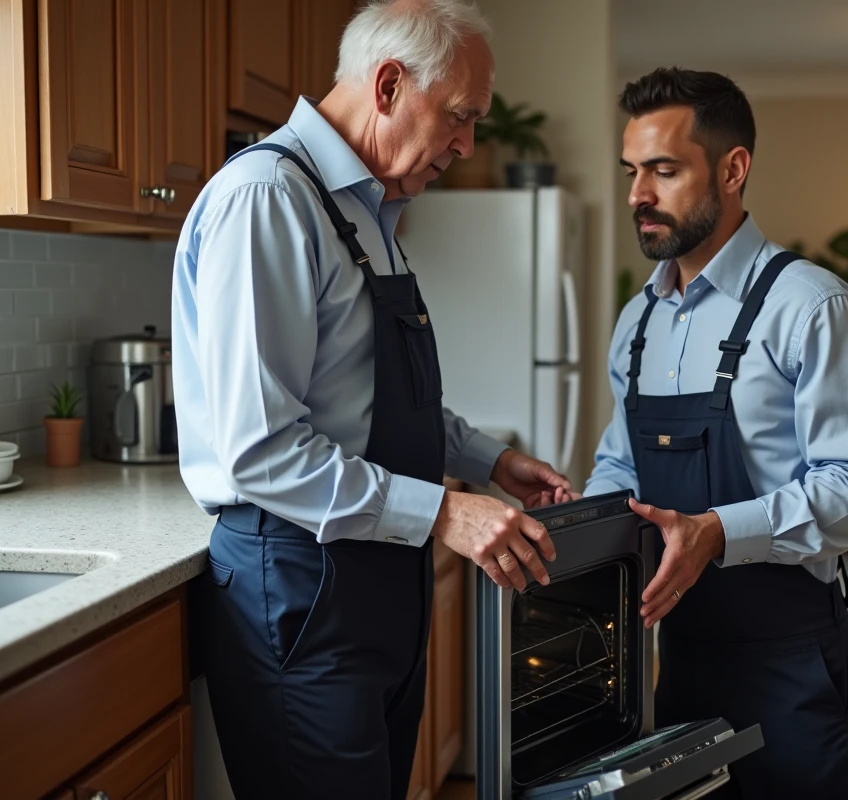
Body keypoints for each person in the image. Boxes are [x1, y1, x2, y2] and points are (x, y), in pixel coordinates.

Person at [170, 2, 571, 797]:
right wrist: (446, 513)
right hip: (299, 588)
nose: (466, 144)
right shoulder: (267, 200)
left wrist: (489, 460)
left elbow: (371, 397)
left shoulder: (364, 206)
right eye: (460, 117)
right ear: (388, 84)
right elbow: (261, 452)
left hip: (377, 580)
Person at [580, 68, 848, 798]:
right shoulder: (638, 322)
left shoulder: (813, 308)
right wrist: (576, 534)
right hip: (677, 658)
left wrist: (717, 532)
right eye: (632, 171)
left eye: (663, 170)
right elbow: (619, 466)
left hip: (792, 664)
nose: (637, 194)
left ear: (732, 169)